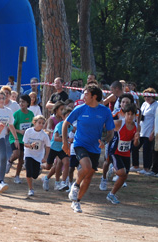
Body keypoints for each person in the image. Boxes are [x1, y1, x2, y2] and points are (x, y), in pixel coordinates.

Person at [63, 85, 115, 213]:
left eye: (86, 94)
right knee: (86, 167)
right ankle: (75, 185)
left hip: (95, 148)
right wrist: (64, 142)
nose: (83, 96)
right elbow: (66, 123)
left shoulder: (105, 111)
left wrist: (104, 141)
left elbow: (111, 132)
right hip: (80, 143)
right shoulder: (80, 109)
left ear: (94, 96)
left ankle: (77, 202)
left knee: (89, 176)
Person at [105, 104, 139, 204]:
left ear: (135, 116)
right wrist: (105, 140)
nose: (130, 117)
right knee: (122, 173)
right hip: (115, 151)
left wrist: (136, 139)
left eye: (132, 115)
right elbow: (106, 125)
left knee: (124, 176)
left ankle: (111, 194)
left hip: (126, 153)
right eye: (128, 114)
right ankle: (114, 168)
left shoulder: (137, 126)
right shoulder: (119, 123)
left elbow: (136, 144)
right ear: (124, 114)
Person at [42, 106, 72, 191]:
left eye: (71, 116)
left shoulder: (70, 126)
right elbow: (55, 138)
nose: (69, 118)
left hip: (62, 148)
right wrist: (67, 139)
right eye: (67, 116)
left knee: (66, 162)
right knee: (48, 166)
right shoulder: (60, 125)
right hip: (54, 147)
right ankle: (41, 167)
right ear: (63, 117)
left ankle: (63, 182)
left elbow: (76, 131)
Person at [22, 115, 51, 197]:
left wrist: (45, 157)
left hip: (38, 156)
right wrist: (30, 145)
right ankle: (31, 189)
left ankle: (39, 169)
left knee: (34, 175)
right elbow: (25, 143)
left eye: (43, 123)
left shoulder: (44, 135)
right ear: (34, 123)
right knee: (29, 172)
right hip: (29, 154)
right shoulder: (28, 131)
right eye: (39, 123)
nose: (41, 125)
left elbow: (48, 146)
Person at [9, 95, 34, 184]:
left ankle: (17, 176)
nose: (21, 103)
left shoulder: (31, 114)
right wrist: (20, 131)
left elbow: (32, 126)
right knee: (16, 154)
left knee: (22, 158)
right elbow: (10, 127)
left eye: (23, 102)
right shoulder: (16, 114)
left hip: (25, 140)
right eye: (20, 102)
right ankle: (10, 161)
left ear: (28, 103)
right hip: (14, 137)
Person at [139, 89, 158, 175]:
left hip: (149, 131)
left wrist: (153, 132)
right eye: (145, 96)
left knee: (147, 150)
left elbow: (155, 120)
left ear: (153, 96)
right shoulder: (144, 104)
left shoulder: (156, 105)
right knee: (136, 148)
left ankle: (147, 168)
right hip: (142, 130)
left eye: (149, 96)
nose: (147, 98)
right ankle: (138, 166)